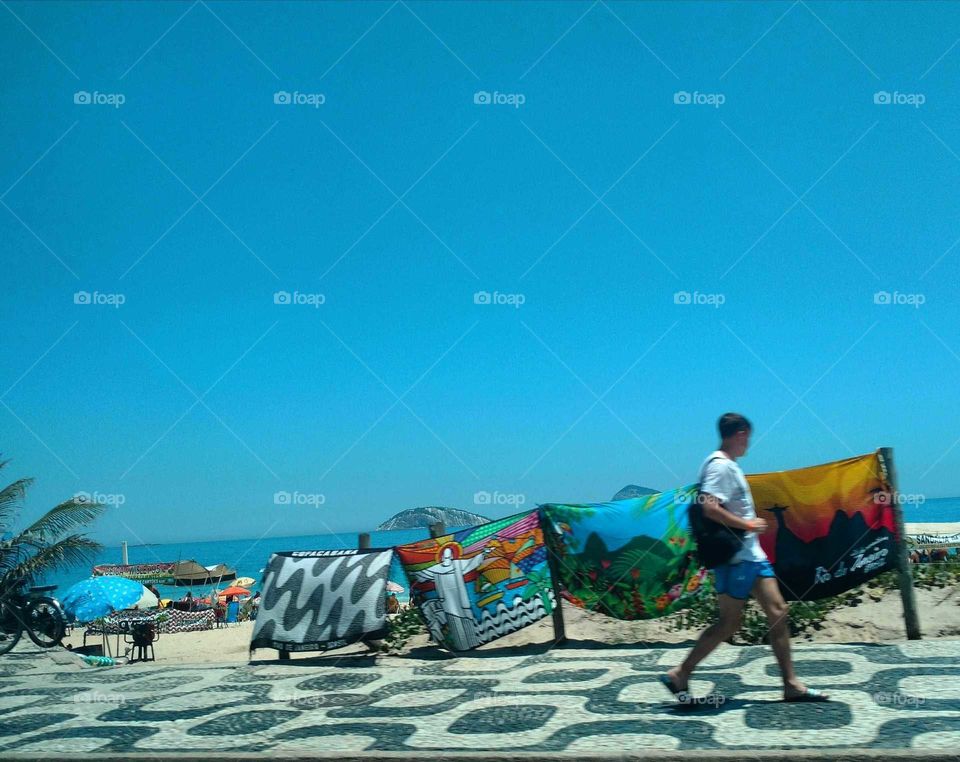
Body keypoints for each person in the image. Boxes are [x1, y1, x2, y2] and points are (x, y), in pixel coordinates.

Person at [662, 413, 829, 704]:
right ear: (739, 433)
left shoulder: (724, 465)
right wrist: (748, 525)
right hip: (738, 557)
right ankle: (681, 672)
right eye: (748, 436)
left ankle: (790, 684)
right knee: (730, 623)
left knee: (777, 612)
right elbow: (709, 508)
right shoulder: (721, 467)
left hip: (750, 556)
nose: (749, 442)